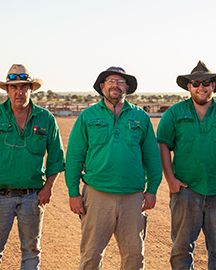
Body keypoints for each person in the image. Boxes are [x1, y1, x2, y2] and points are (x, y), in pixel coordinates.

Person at [65, 66, 162, 270]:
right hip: (97, 194)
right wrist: (73, 192)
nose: (115, 85)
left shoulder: (140, 117)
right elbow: (74, 156)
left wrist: (152, 189)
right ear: (102, 86)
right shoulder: (88, 116)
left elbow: (152, 156)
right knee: (91, 255)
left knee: (134, 256)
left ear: (127, 87)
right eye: (110, 81)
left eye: (120, 81)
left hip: (132, 197)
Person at [0, 64, 64, 270]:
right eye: (14, 87)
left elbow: (56, 157)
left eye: (24, 87)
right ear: (7, 90)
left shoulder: (46, 118)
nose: (19, 92)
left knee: (31, 251)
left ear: (31, 89)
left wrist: (48, 188)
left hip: (32, 196)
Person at [157, 61, 216, 270]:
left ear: (213, 86)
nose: (201, 87)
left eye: (206, 82)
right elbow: (163, 145)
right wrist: (171, 180)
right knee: (181, 250)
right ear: (189, 87)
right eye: (196, 83)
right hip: (185, 192)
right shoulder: (174, 113)